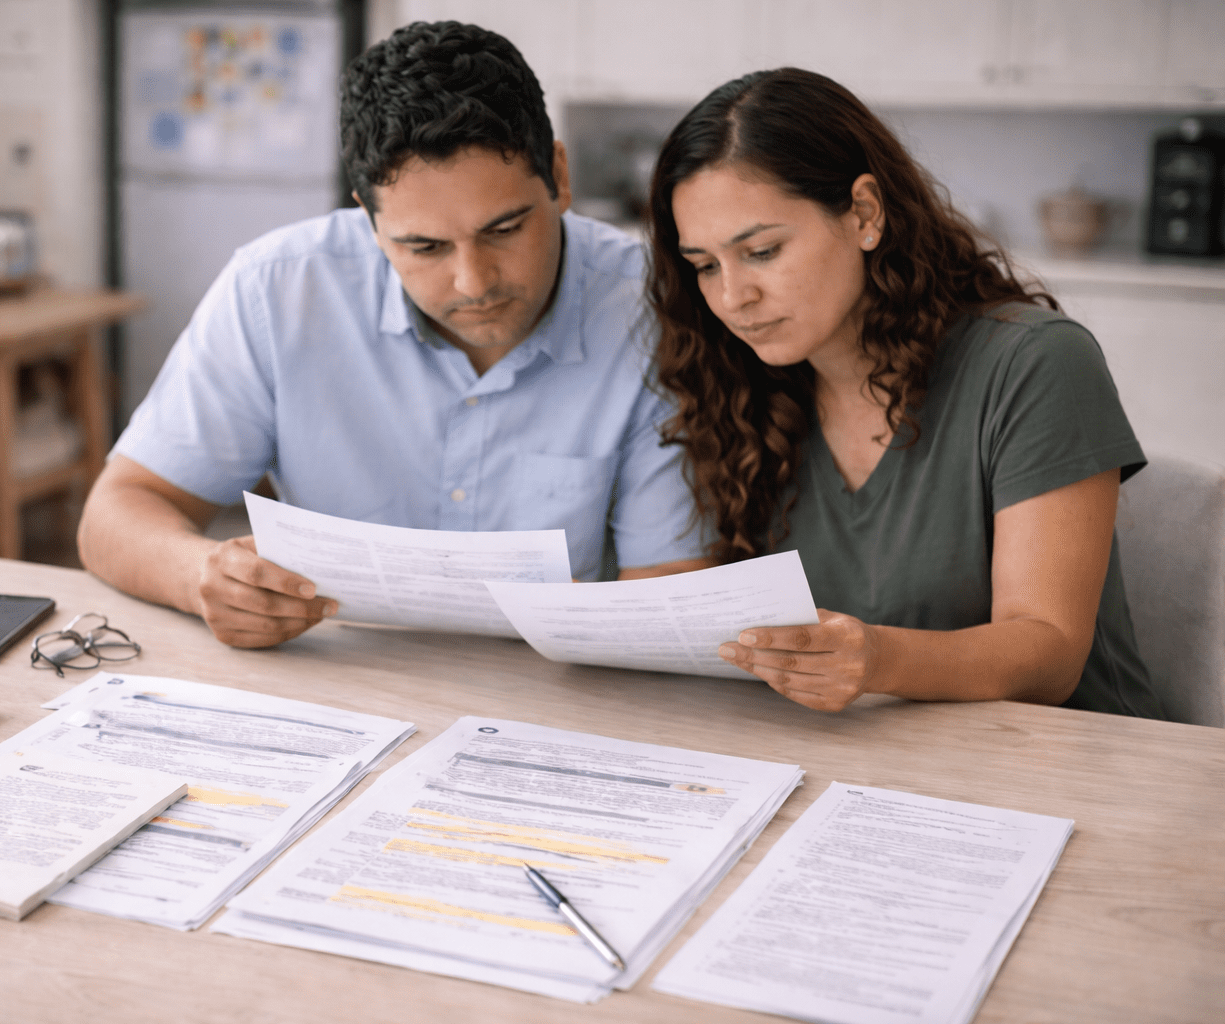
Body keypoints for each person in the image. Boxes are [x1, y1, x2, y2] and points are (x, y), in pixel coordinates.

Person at [78, 21, 708, 650]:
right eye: (424, 246)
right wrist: (199, 575)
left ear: (560, 178)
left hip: (566, 693)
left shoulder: (656, 309)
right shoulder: (278, 289)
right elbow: (117, 512)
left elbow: (661, 601)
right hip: (339, 683)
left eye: (506, 229)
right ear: (369, 220)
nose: (473, 281)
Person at [645, 67, 1164, 718]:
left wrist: (878, 660)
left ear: (864, 212)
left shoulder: (1035, 362)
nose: (732, 297)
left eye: (763, 251)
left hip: (1076, 769)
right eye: (704, 267)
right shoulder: (743, 386)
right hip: (876, 774)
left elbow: (1050, 655)